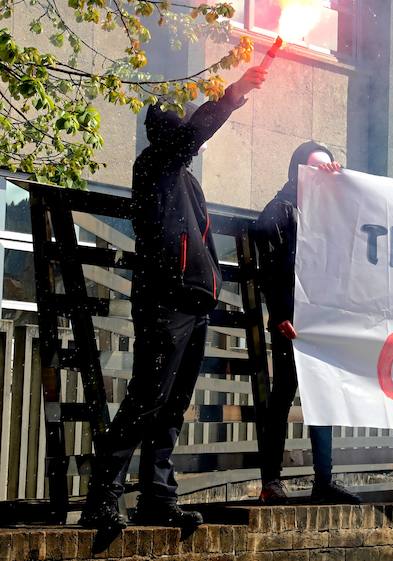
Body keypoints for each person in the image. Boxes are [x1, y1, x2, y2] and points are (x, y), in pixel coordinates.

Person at [78, 65, 269, 531]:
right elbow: (188, 138)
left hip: (192, 305)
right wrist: (232, 95)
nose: (195, 137)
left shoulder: (182, 175)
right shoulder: (156, 163)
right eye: (187, 126)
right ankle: (102, 499)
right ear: (172, 130)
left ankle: (157, 497)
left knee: (170, 406)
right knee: (147, 399)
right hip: (166, 302)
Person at [252, 141, 361, 505]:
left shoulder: (326, 208)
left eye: (325, 168)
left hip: (321, 320)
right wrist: (280, 313)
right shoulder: (282, 207)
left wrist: (339, 182)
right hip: (293, 322)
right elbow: (268, 257)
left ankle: (324, 481)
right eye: (314, 168)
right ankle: (271, 481)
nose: (320, 174)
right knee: (282, 396)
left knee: (323, 398)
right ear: (298, 170)